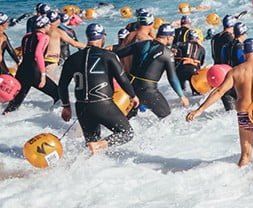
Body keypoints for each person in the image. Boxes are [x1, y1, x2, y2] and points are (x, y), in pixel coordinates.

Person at [187, 38, 253, 173]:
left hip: (244, 115)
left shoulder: (235, 71)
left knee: (245, 155)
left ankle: (240, 184)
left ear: (244, 54)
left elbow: (219, 91)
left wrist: (199, 110)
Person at [58, 23, 137, 153]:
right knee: (126, 133)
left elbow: (62, 85)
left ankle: (86, 168)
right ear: (102, 37)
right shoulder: (109, 56)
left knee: (90, 145)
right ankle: (99, 145)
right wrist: (133, 96)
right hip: (102, 104)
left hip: (82, 106)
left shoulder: (72, 59)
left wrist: (66, 106)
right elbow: (122, 79)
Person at [118, 24, 189, 118]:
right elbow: (172, 77)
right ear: (168, 37)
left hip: (129, 87)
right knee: (166, 116)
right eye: (172, 37)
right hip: (147, 90)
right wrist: (181, 96)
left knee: (129, 119)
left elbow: (116, 55)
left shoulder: (140, 44)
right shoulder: (167, 53)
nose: (173, 39)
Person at [3, 15, 59, 114]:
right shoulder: (44, 37)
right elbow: (37, 54)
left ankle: (5, 119)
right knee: (58, 94)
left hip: (22, 70)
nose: (50, 26)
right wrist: (43, 74)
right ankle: (54, 117)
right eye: (48, 24)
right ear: (44, 26)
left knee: (15, 102)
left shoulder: (26, 36)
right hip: (34, 72)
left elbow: (26, 54)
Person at [174, 29, 207, 94]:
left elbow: (174, 52)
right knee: (196, 93)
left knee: (181, 92)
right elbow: (201, 63)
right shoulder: (202, 48)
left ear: (187, 37)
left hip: (181, 69)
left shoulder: (181, 44)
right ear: (197, 38)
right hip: (194, 70)